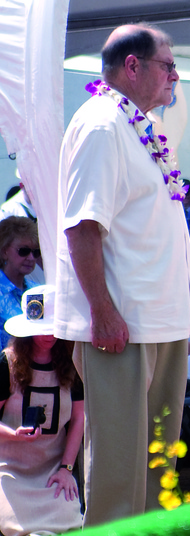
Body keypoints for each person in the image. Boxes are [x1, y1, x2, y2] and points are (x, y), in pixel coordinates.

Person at [53, 23, 190, 526]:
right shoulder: (101, 125)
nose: (175, 76)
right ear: (132, 66)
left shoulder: (143, 126)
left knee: (160, 470)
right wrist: (103, 311)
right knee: (119, 471)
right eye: (168, 65)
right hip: (123, 325)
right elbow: (83, 227)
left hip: (161, 321)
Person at [0, 286, 84, 535]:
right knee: (15, 525)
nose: (49, 335)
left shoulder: (72, 364)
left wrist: (66, 469)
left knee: (69, 522)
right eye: (42, 329)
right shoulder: (7, 363)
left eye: (54, 327)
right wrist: (13, 434)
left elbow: (79, 419)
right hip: (9, 471)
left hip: (53, 471)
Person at [0, 218, 40, 350]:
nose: (31, 258)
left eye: (36, 252)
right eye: (23, 251)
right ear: (4, 251)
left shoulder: (37, 291)